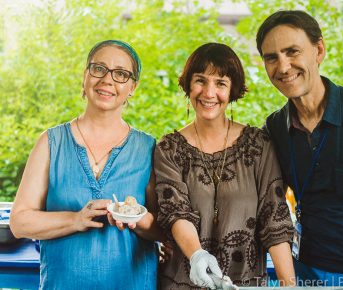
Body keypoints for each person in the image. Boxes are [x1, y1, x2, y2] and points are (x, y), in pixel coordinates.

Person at [256, 10, 343, 290]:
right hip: (308, 272)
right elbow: (267, 208)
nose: (283, 67)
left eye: (292, 52)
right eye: (271, 57)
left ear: (318, 50)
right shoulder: (273, 128)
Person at [10, 40, 162, 289]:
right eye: (99, 68)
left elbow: (164, 230)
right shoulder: (51, 142)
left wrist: (137, 219)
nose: (107, 80)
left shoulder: (148, 148)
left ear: (132, 87)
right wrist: (75, 219)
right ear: (85, 76)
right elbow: (19, 222)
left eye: (121, 74)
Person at [154, 42, 295, 289]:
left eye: (220, 83)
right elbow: (176, 212)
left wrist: (289, 285)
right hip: (182, 282)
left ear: (233, 91)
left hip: (245, 283)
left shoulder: (259, 145)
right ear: (188, 85)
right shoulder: (169, 148)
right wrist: (197, 255)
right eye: (200, 80)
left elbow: (275, 220)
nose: (209, 93)